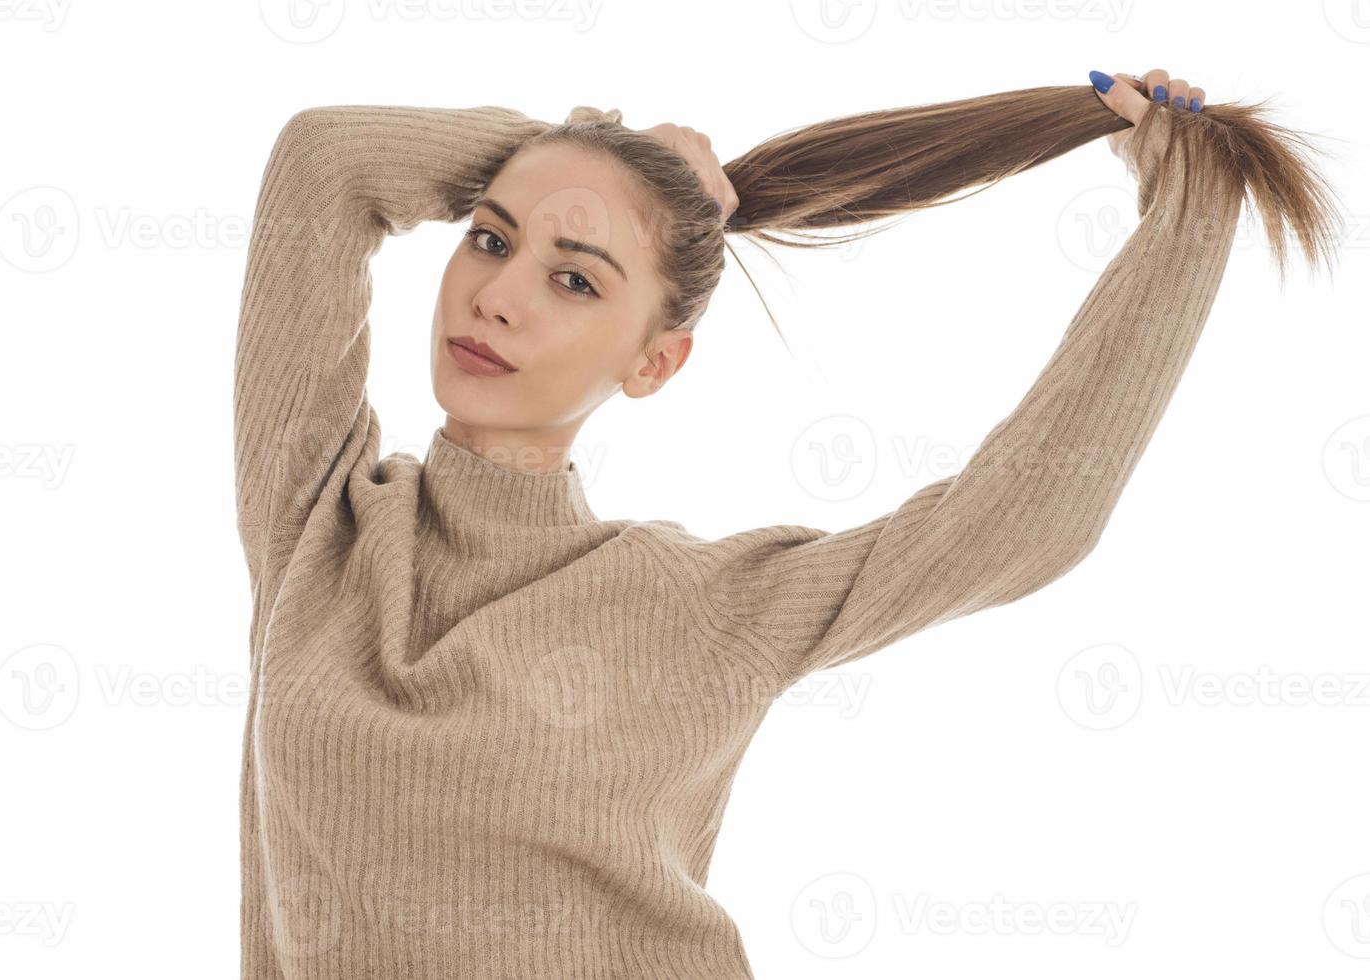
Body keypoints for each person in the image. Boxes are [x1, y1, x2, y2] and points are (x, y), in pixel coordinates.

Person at [232, 70, 1338, 978]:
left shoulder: (700, 604)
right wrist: (591, 156)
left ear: (654, 362)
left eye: (573, 278)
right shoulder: (318, 524)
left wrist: (1189, 216)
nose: (498, 295)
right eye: (489, 238)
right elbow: (324, 162)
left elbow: (1024, 519)